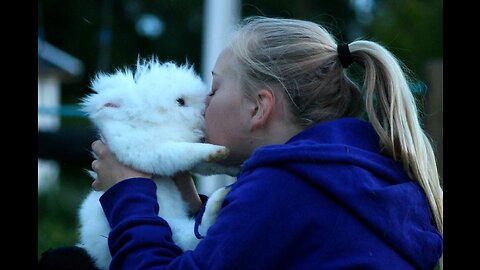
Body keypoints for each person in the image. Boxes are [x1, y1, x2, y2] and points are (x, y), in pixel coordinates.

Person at [47, 16, 444, 269]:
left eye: (214, 89)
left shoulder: (286, 185)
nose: (203, 106)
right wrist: (190, 204)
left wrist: (127, 191)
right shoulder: (349, 173)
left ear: (259, 108)